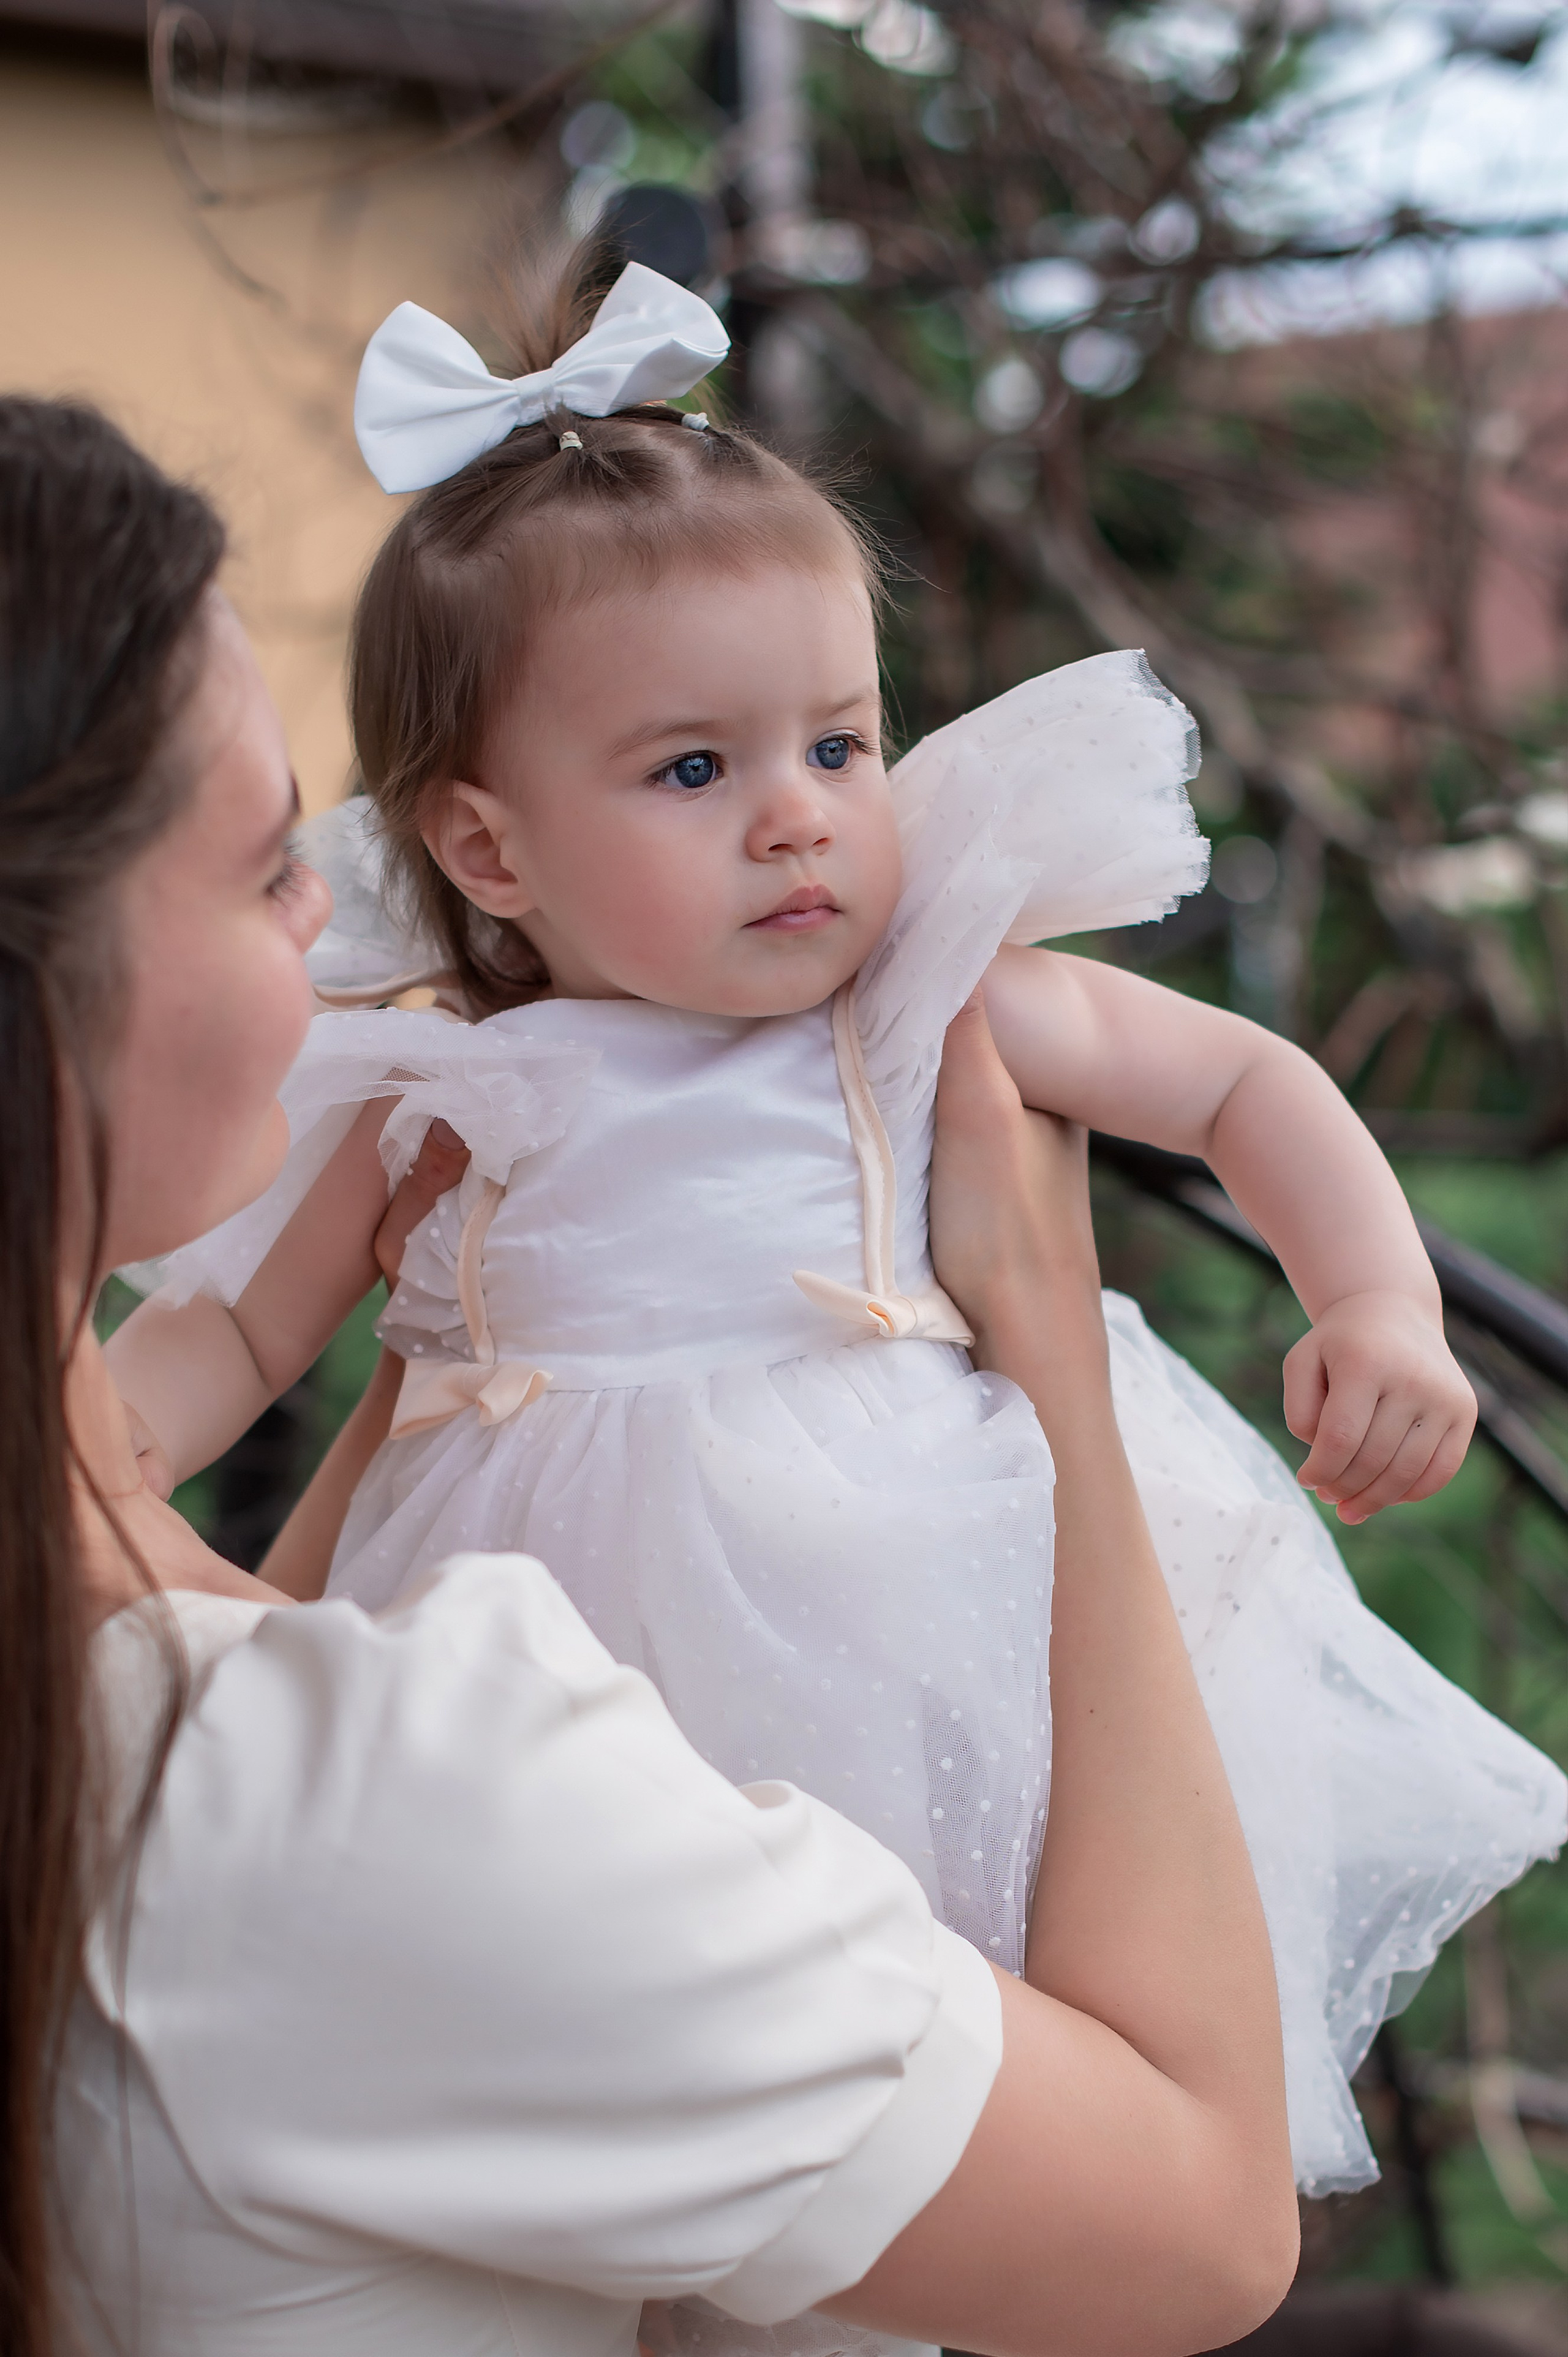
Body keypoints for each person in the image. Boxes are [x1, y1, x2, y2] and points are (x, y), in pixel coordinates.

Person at [104, 249, 1566, 2228]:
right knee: (586, 2118)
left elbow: (1243, 1086)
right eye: (697, 771)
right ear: (487, 848)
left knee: (919, 2075)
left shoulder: (917, 1009)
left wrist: (1380, 1300)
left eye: (840, 746)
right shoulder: (439, 1071)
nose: (800, 820)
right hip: (524, 1653)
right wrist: (84, 1453)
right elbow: (241, 1339)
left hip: (886, 1613)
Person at [2, 393, 1300, 2357]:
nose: (332, 929)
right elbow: (1201, 2229)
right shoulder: (388, 1801)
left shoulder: (133, 1717)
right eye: (272, 869)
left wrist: (384, 1391)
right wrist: (1054, 1357)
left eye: (837, 746)